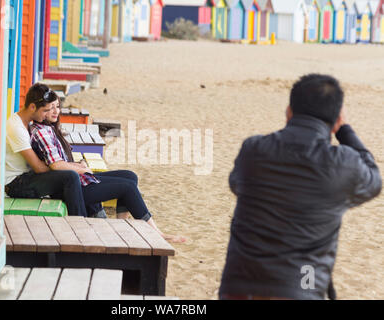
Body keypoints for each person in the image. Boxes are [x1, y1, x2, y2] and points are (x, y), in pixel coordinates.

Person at [219, 74, 382, 300]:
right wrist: (345, 131)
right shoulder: (344, 164)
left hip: (239, 285)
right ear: (336, 121)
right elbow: (374, 179)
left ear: (288, 111)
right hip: (302, 287)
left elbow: (237, 184)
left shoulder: (253, 149)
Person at [29, 84, 186, 243]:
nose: (55, 111)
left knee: (130, 176)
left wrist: (79, 164)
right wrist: (80, 168)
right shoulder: (41, 131)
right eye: (50, 108)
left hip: (79, 179)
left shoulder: (48, 127)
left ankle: (120, 226)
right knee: (128, 188)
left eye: (57, 106)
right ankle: (157, 234)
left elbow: (58, 160)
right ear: (40, 109)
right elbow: (55, 165)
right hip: (72, 188)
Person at [5, 83, 87, 216]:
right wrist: (60, 166)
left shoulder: (27, 123)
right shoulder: (16, 128)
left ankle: (85, 213)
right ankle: (79, 220)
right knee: (70, 177)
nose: (48, 114)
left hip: (28, 176)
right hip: (16, 184)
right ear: (32, 107)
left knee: (70, 175)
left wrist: (70, 165)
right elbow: (39, 168)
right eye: (45, 110)